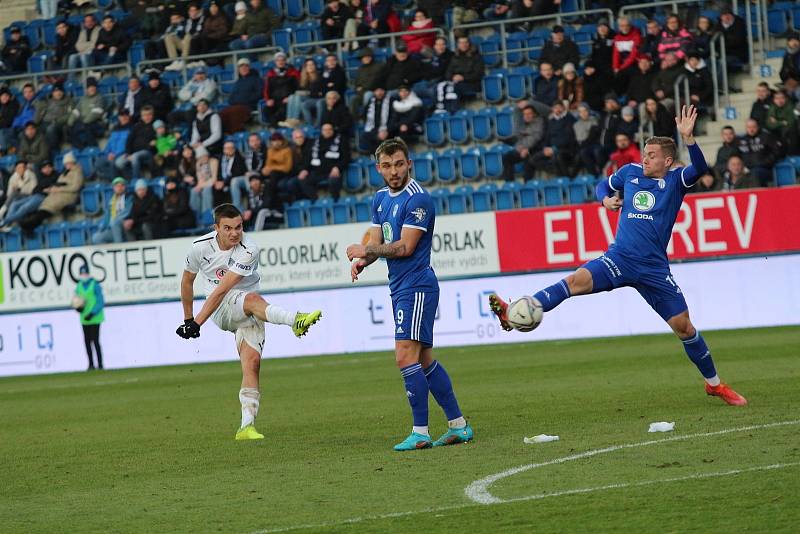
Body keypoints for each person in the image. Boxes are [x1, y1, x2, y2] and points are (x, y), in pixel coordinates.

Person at [489, 106, 748, 407]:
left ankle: (714, 385)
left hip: (653, 269)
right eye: (644, 152)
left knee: (684, 328)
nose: (644, 157)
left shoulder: (676, 181)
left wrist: (689, 139)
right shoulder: (629, 173)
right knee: (575, 280)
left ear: (666, 160)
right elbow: (603, 185)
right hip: (620, 258)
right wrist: (604, 199)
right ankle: (512, 313)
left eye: (651, 154)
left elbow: (701, 168)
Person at [345, 137, 473, 451]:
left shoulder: (418, 200)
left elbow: (404, 246)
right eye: (387, 165)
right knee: (424, 359)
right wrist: (365, 259)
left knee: (404, 356)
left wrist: (366, 248)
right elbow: (380, 242)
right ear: (378, 168)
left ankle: (420, 432)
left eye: (399, 163)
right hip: (399, 287)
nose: (394, 171)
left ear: (409, 163)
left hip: (417, 285)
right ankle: (459, 425)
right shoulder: (379, 199)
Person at [176, 203, 323, 440]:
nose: (235, 233)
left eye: (239, 227)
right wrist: (189, 319)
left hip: (249, 309)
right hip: (221, 309)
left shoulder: (249, 248)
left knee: (252, 363)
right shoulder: (199, 248)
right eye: (228, 228)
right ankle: (294, 320)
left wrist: (195, 323)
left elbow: (226, 287)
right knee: (252, 298)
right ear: (216, 228)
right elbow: (188, 282)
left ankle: (246, 426)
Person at [19, 151, 84, 233]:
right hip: (58, 194)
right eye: (66, 163)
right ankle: (29, 226)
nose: (67, 165)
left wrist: (59, 189)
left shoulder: (77, 172)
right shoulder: (64, 173)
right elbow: (59, 183)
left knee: (48, 208)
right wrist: (51, 189)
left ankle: (28, 225)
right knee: (44, 207)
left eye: (69, 163)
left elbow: (75, 187)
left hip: (68, 195)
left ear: (73, 162)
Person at [289, 123, 348, 201]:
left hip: (333, 171)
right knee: (302, 179)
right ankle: (315, 200)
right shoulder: (317, 141)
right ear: (321, 131)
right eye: (325, 130)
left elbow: (346, 157)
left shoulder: (341, 140)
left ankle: (335, 200)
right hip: (317, 172)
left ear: (333, 130)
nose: (327, 131)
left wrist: (337, 167)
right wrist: (305, 170)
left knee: (333, 180)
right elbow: (310, 158)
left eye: (329, 129)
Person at [502, 103, 544, 181]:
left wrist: (527, 149)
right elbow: (519, 138)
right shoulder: (523, 124)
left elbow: (536, 138)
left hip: (535, 149)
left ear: (534, 114)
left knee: (528, 160)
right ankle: (510, 184)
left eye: (529, 114)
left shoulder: (539, 122)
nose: (527, 116)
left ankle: (527, 185)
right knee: (506, 157)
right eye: (525, 114)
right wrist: (521, 149)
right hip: (522, 149)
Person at [219, 58, 263, 134]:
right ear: (238, 69)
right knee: (220, 115)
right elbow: (231, 98)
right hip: (236, 106)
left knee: (234, 112)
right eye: (241, 67)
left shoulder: (257, 80)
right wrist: (237, 101)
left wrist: (245, 100)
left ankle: (236, 133)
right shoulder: (238, 82)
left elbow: (259, 94)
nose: (243, 68)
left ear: (249, 68)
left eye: (246, 66)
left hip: (249, 106)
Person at [75, 265, 105, 371]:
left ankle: (100, 364)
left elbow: (100, 301)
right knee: (87, 341)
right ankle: (91, 364)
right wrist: (78, 308)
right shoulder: (79, 286)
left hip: (95, 318)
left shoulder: (95, 285)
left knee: (95, 341)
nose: (84, 276)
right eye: (82, 274)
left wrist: (92, 313)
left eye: (85, 274)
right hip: (84, 318)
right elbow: (76, 299)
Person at [67, 77, 108, 150]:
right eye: (89, 87)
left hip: (97, 123)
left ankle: (94, 149)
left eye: (93, 86)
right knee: (69, 129)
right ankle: (81, 149)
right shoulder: (83, 99)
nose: (92, 88)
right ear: (86, 89)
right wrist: (70, 122)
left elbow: (96, 114)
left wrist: (84, 122)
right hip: (84, 123)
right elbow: (76, 111)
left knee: (87, 128)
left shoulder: (100, 98)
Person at [262, 52, 300, 127]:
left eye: (282, 60)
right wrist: (268, 100)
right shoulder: (271, 73)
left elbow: (297, 88)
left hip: (287, 100)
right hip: (274, 100)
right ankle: (276, 125)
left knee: (282, 110)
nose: (280, 62)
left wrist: (290, 98)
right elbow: (266, 89)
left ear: (285, 61)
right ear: (275, 62)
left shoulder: (293, 72)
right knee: (266, 110)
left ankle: (275, 126)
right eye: (278, 60)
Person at [92, 177, 132, 244]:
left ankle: (119, 248)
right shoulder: (111, 201)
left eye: (121, 185)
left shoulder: (129, 197)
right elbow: (107, 216)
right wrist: (102, 228)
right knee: (96, 237)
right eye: (117, 186)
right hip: (112, 228)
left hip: (124, 226)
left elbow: (127, 212)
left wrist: (116, 220)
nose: (119, 188)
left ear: (124, 187)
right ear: (114, 188)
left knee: (114, 222)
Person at [95, 111, 132, 181]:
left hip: (121, 155)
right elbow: (109, 144)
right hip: (110, 154)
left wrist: (116, 155)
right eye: (122, 115)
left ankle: (116, 182)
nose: (124, 117)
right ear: (119, 117)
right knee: (98, 162)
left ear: (129, 116)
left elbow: (128, 145)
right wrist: (107, 153)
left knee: (113, 163)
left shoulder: (132, 129)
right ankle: (115, 180)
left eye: (126, 115)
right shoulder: (115, 129)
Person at [0, 161, 37, 229]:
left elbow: (33, 190)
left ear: (25, 168)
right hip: (16, 198)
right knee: (14, 202)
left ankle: (2, 213)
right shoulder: (13, 178)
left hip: (29, 197)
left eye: (22, 167)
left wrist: (20, 189)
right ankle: (7, 224)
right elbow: (9, 194)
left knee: (15, 195)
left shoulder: (31, 175)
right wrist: (16, 190)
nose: (20, 169)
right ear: (16, 169)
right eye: (18, 168)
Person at [361, 86, 392, 154]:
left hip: (387, 129)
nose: (379, 93)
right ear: (374, 92)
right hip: (372, 129)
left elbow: (393, 118)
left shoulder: (390, 101)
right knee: (365, 136)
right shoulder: (370, 101)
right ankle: (375, 159)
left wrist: (387, 130)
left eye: (381, 90)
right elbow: (364, 115)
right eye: (377, 91)